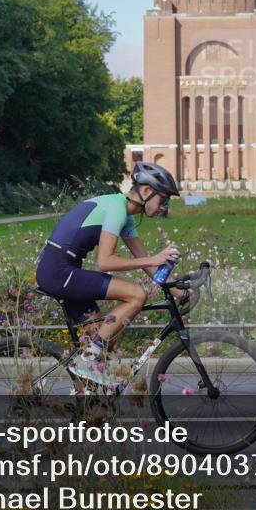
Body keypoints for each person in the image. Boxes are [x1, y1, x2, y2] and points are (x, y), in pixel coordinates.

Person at [35, 161, 187, 385]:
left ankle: (86, 401)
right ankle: (86, 362)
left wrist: (175, 288)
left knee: (105, 337)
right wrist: (153, 258)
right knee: (137, 294)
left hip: (64, 270)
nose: (164, 205)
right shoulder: (116, 209)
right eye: (163, 198)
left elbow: (144, 262)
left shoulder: (126, 215)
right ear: (146, 191)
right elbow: (105, 262)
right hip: (58, 272)